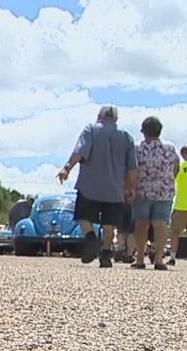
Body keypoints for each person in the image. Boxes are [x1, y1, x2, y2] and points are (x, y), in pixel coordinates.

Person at [56, 106, 139, 268]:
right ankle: (106, 254)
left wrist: (67, 168)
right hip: (115, 188)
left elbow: (79, 151)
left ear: (99, 115)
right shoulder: (126, 136)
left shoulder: (91, 130)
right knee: (109, 224)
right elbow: (132, 168)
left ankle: (90, 236)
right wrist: (131, 187)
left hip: (89, 185)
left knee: (82, 216)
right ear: (115, 118)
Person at [132, 116, 180, 270]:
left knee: (141, 224)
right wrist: (168, 179)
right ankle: (159, 259)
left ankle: (140, 258)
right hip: (164, 190)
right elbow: (176, 166)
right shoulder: (170, 147)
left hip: (143, 190)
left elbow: (132, 169)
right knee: (160, 225)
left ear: (143, 131)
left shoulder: (137, 147)